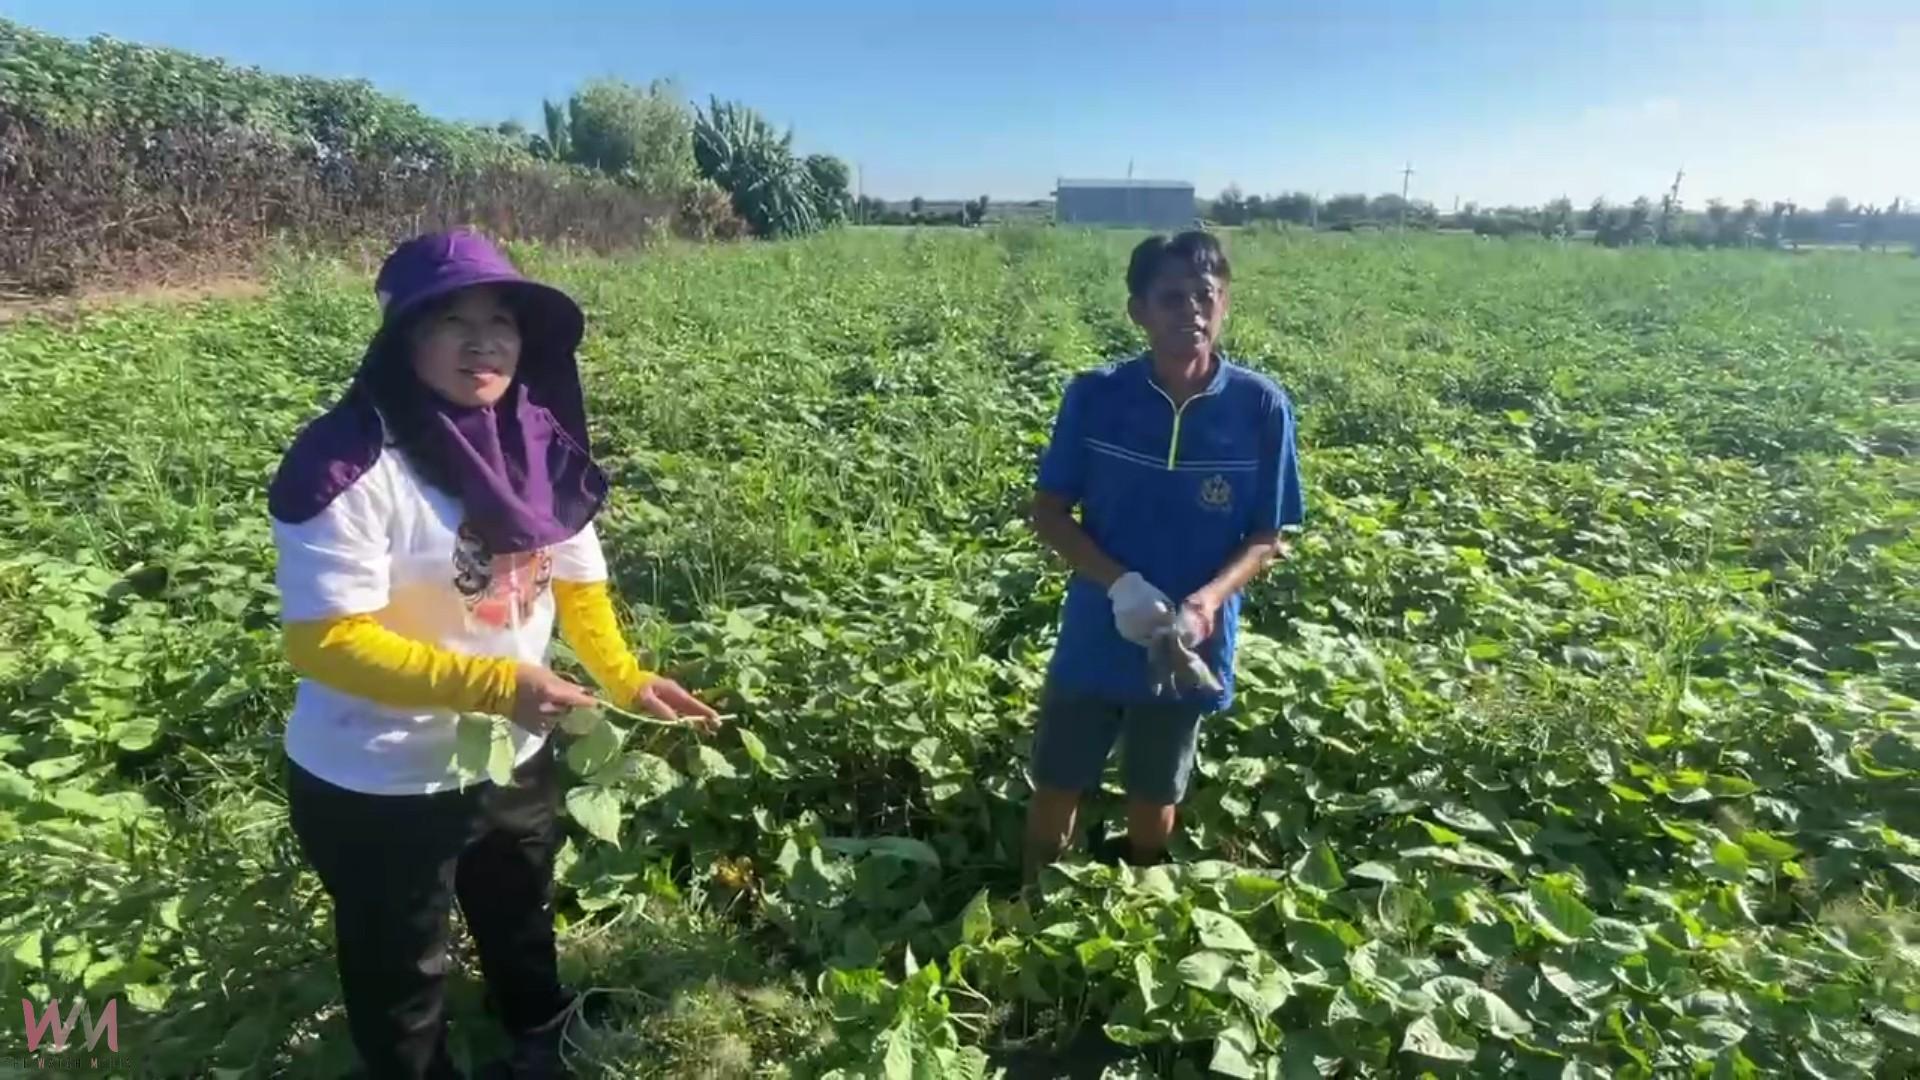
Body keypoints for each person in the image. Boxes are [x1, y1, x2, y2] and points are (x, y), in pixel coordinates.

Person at [268, 229, 719, 1079]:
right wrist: (495, 684)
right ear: (405, 337)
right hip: (381, 777)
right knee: (401, 965)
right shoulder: (348, 463)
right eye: (453, 320)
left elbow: (576, 579)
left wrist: (625, 677)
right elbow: (324, 640)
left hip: (509, 748)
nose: (484, 342)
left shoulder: (534, 443)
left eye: (501, 320)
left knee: (520, 908)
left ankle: (539, 1032)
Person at [1023, 230, 1304, 879]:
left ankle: (1139, 894)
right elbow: (1048, 512)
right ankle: (1032, 896)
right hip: (1098, 627)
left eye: (1205, 296)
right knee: (1058, 777)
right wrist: (1120, 585)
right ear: (1139, 312)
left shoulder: (1260, 407)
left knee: (1155, 789)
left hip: (1190, 642)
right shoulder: (1096, 397)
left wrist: (1205, 603)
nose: (1192, 312)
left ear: (1225, 302)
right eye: (1172, 298)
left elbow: (1267, 536)